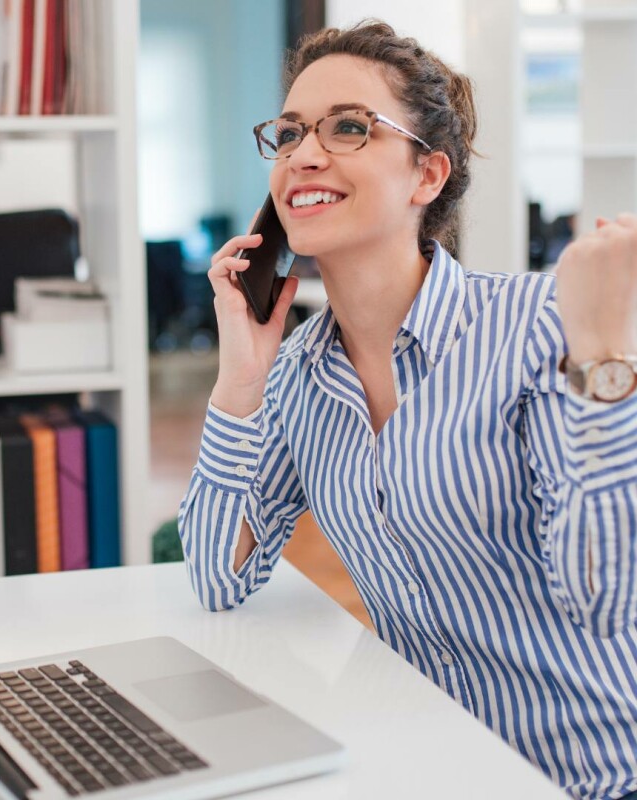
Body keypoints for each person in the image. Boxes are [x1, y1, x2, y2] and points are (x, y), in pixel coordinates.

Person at [178, 19, 637, 800]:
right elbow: (219, 576)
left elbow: (607, 597)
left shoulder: (537, 328)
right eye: (289, 134)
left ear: (427, 176)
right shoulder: (295, 376)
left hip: (594, 777)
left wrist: (602, 358)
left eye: (349, 127)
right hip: (434, 768)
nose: (303, 155)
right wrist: (239, 379)